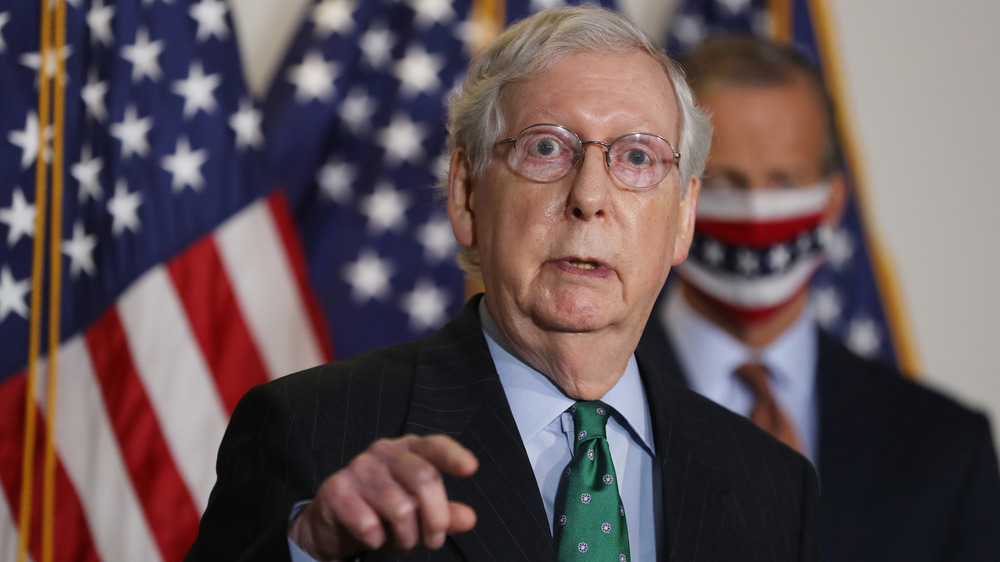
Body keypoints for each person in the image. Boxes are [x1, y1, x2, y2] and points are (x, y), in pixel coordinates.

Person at [187, 8, 819, 561]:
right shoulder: (314, 431)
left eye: (635, 157)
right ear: (466, 196)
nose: (589, 197)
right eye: (547, 148)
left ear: (682, 219)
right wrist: (311, 550)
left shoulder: (771, 486)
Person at [637, 35, 1000, 561]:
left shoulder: (946, 447)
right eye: (725, 181)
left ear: (832, 202)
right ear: (676, 196)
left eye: (785, 180)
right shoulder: (582, 408)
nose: (758, 212)